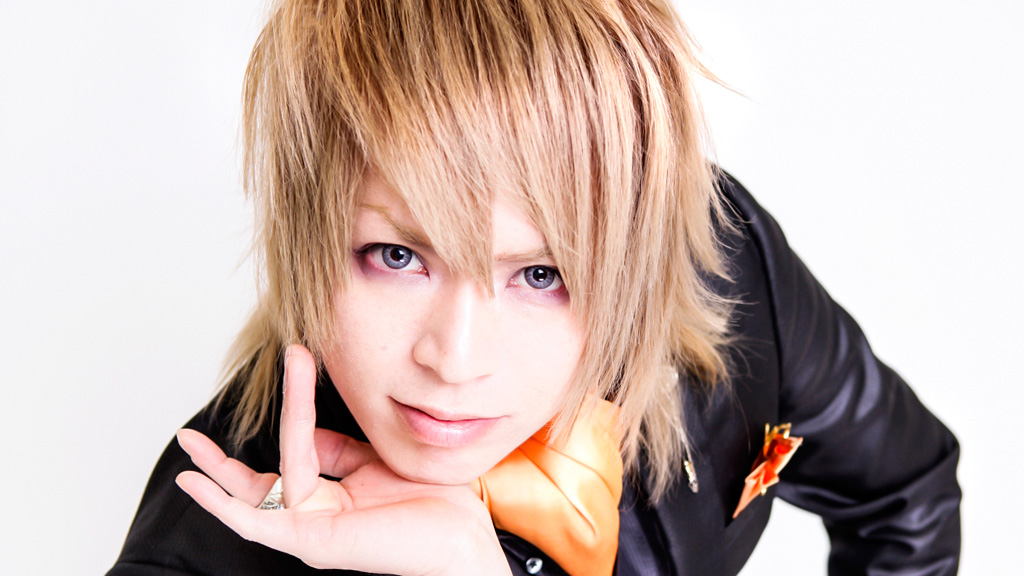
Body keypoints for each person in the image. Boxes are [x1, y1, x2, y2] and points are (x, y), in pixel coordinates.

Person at [108, 0, 961, 574]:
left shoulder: (726, 262)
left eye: (543, 273)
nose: (455, 360)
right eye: (397, 256)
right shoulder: (208, 539)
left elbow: (905, 496)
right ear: (307, 231)